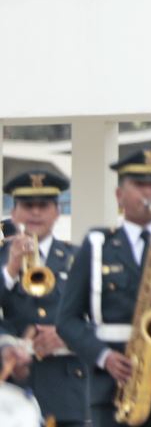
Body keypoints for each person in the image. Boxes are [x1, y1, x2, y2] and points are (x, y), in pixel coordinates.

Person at [56, 148, 151, 427]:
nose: (148, 194)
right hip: (112, 388)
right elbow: (67, 320)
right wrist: (103, 357)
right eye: (139, 185)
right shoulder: (97, 246)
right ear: (120, 196)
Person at [2, 170, 86, 426]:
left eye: (44, 205)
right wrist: (11, 269)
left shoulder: (80, 257)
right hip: (12, 392)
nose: (36, 213)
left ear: (57, 212)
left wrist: (67, 337)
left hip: (67, 389)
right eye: (28, 205)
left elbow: (100, 317)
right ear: (14, 212)